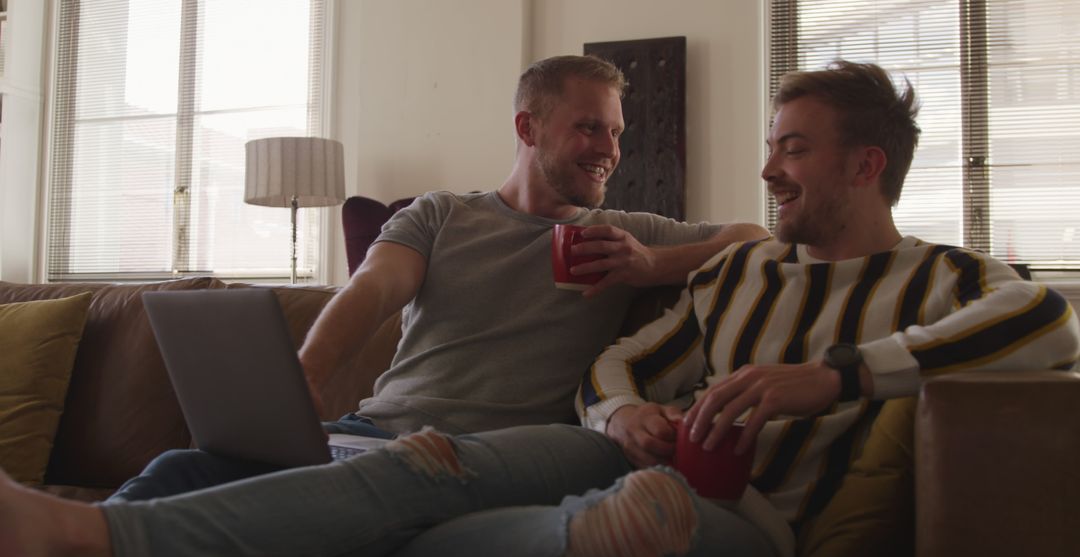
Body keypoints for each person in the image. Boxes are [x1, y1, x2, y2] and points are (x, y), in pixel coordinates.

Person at [2, 60, 1077, 557]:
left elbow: (1046, 323)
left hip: (709, 508)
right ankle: (82, 537)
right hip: (451, 447)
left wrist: (829, 371)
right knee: (384, 493)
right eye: (591, 130)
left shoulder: (948, 279)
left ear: (867, 163)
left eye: (790, 147)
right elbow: (616, 367)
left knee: (484, 502)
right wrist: (622, 419)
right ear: (530, 126)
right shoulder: (721, 284)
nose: (768, 169)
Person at [106, 54, 768, 502]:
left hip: (474, 458)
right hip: (367, 434)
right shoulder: (444, 214)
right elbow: (374, 287)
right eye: (589, 127)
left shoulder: (625, 234)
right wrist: (306, 373)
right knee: (178, 473)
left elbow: (754, 237)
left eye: (616, 132)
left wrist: (652, 265)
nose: (609, 150)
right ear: (527, 127)